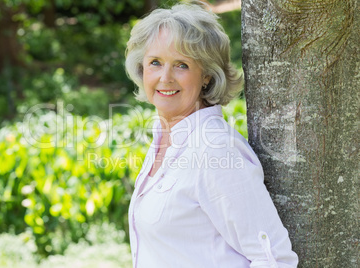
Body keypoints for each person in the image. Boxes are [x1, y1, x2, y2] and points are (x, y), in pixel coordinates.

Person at [125, 2, 299, 267]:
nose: (165, 77)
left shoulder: (216, 149)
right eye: (155, 62)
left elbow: (275, 260)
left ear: (206, 75)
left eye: (181, 65)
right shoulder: (165, 140)